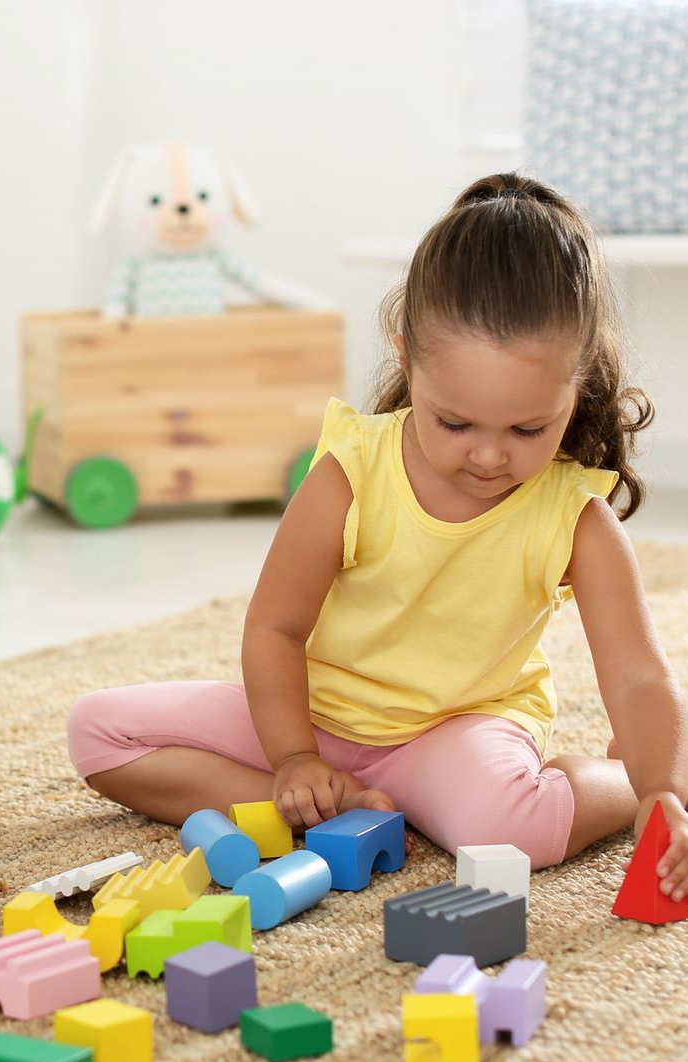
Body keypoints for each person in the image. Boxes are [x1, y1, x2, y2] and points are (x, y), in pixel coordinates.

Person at [67, 173, 688, 897]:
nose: (488, 457)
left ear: (575, 389)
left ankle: (608, 778)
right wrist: (294, 755)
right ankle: (326, 804)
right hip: (317, 714)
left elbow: (638, 675)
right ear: (406, 358)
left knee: (513, 833)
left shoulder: (575, 515)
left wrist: (657, 787)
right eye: (454, 422)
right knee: (100, 732)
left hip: (455, 732)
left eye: (528, 429)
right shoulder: (351, 471)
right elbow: (275, 628)